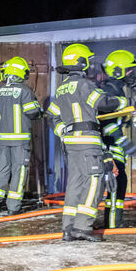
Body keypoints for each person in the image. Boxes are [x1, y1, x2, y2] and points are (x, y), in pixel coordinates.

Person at [48, 43, 127, 241]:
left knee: (75, 183)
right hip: (88, 142)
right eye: (88, 61)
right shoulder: (84, 85)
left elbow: (51, 117)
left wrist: (63, 133)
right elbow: (103, 103)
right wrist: (125, 103)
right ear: (81, 62)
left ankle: (68, 227)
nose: (90, 65)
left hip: (71, 144)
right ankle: (83, 226)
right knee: (95, 180)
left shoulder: (61, 89)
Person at [0, 57, 41, 215]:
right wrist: (39, 110)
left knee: (1, 171)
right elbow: (32, 112)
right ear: (19, 72)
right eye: (25, 72)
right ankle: (13, 207)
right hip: (20, 142)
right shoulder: (25, 92)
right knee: (19, 172)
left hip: (2, 141)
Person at [99, 49, 136, 228]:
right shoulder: (110, 90)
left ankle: (113, 222)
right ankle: (112, 224)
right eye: (130, 70)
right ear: (118, 71)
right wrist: (122, 141)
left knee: (118, 183)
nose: (133, 74)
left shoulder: (117, 89)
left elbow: (114, 118)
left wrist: (128, 117)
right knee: (116, 183)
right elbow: (105, 121)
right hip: (110, 147)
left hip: (113, 146)